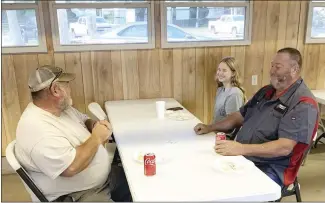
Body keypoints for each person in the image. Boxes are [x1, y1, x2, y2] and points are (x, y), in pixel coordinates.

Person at [194, 48, 319, 188]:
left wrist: (241, 149)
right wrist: (210, 127)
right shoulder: (266, 91)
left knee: (224, 188)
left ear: (294, 69)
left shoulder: (303, 103)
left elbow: (284, 147)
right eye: (272, 65)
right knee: (201, 171)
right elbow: (239, 116)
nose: (272, 70)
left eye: (277, 67)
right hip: (244, 157)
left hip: (271, 168)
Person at [14, 65, 132, 202]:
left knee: (138, 180)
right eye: (67, 85)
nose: (70, 90)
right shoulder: (38, 130)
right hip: (80, 193)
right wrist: (96, 138)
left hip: (102, 179)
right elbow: (71, 168)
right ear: (56, 90)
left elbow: (83, 119)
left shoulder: (61, 109)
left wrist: (93, 125)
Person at [213, 56, 245, 124]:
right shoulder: (220, 90)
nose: (220, 73)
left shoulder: (234, 94)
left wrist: (209, 129)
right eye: (219, 69)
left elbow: (232, 124)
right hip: (215, 130)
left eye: (224, 70)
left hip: (225, 134)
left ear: (233, 73)